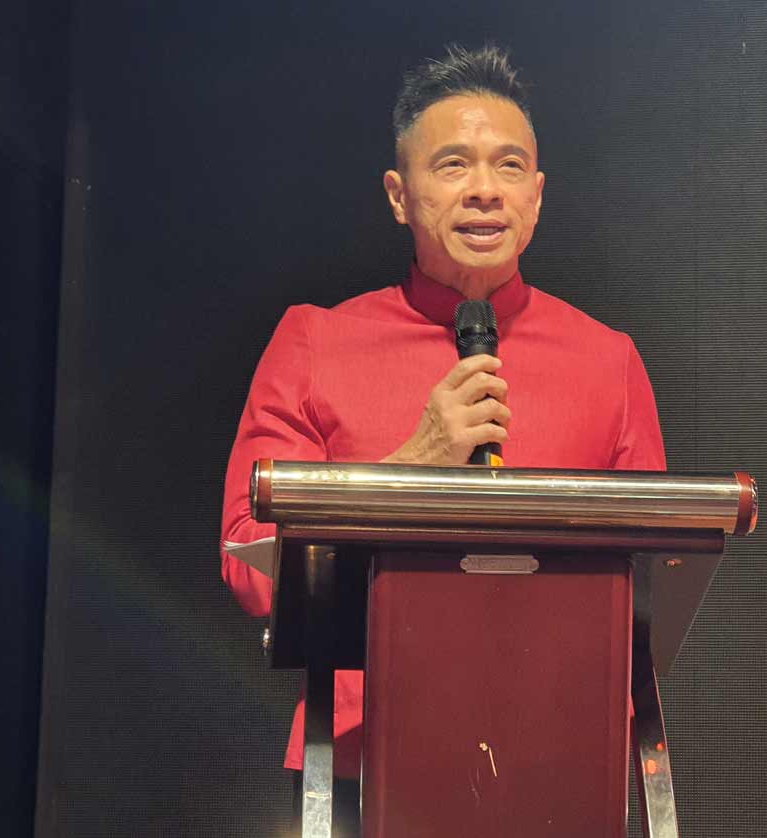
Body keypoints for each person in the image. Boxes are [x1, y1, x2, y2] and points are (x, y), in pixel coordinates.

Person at [220, 40, 666, 804]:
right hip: (364, 764)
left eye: (509, 167)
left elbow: (654, 583)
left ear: (537, 195)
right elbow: (248, 562)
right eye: (453, 165)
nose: (484, 191)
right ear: (399, 195)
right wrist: (411, 467)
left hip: (559, 767)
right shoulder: (314, 341)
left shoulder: (610, 360)